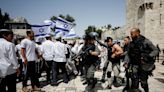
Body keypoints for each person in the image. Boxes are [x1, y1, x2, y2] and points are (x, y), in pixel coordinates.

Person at [124, 28, 159, 92]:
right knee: (134, 81)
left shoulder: (145, 41)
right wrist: (126, 62)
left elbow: (156, 50)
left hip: (143, 65)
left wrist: (148, 56)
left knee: (143, 83)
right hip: (134, 65)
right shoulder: (131, 43)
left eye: (132, 34)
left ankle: (146, 90)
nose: (131, 36)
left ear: (137, 33)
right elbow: (128, 54)